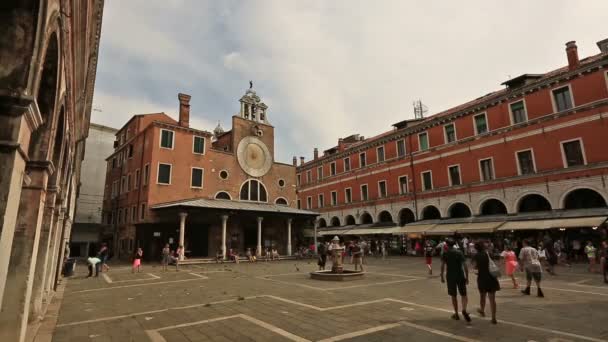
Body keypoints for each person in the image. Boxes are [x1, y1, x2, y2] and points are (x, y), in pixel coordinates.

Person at [440, 238, 471, 323]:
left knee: (453, 295)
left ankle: (456, 314)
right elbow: (465, 266)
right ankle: (464, 309)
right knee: (464, 294)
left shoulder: (445, 253)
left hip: (450, 276)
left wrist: (442, 276)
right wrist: (467, 277)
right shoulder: (459, 252)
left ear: (447, 245)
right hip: (460, 275)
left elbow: (442, 265)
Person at [472, 241, 500, 324]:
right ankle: (494, 318)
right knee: (492, 299)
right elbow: (495, 262)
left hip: (482, 278)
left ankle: (482, 310)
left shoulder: (476, 256)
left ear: (476, 248)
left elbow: (475, 267)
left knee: (482, 296)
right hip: (491, 278)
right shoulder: (489, 254)